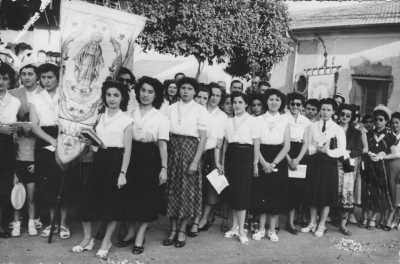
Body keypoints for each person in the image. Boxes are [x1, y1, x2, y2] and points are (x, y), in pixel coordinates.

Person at [72, 80, 133, 259]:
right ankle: (88, 239)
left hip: (116, 162)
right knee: (88, 199)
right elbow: (97, 145)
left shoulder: (127, 120)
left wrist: (123, 173)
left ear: (122, 98)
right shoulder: (99, 117)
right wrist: (89, 143)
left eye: (116, 95)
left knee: (112, 203)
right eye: (109, 95)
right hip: (98, 161)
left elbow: (128, 150)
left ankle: (107, 241)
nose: (112, 99)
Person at [116, 77, 169, 254]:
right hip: (131, 155)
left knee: (147, 198)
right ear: (138, 91)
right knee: (129, 196)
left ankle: (140, 235)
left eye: (150, 92)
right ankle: (131, 231)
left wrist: (164, 168)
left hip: (150, 158)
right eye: (143, 90)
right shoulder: (129, 113)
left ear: (156, 95)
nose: (145, 95)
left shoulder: (160, 117)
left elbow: (162, 144)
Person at [163, 77, 207, 248]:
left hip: (190, 151)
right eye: (183, 88)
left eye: (189, 88)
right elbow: (164, 133)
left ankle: (182, 230)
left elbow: (203, 138)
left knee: (187, 193)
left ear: (195, 91)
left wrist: (195, 161)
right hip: (173, 150)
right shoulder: (171, 108)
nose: (185, 91)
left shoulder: (200, 110)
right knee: (172, 192)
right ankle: (173, 229)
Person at [30, 63, 73, 239]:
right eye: (43, 77)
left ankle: (63, 223)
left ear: (57, 77)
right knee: (48, 183)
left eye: (50, 77)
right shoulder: (35, 98)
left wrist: (61, 140)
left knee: (64, 182)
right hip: (44, 139)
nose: (46, 81)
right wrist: (51, 140)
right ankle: (51, 223)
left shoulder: (66, 96)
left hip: (64, 137)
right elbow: (34, 125)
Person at [301, 98, 346, 237]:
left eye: (328, 110)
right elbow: (306, 144)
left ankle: (322, 224)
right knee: (313, 193)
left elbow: (342, 149)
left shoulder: (337, 129)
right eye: (323, 109)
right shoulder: (312, 126)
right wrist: (315, 149)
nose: (325, 112)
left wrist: (328, 151)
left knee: (326, 195)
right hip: (315, 162)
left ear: (333, 111)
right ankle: (312, 222)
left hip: (329, 164)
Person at [251, 89, 290, 242]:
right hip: (262, 155)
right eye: (271, 99)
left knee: (276, 193)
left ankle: (272, 230)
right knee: (262, 193)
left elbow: (286, 146)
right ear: (266, 101)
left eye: (277, 100)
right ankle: (261, 229)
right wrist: (263, 163)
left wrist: (273, 163)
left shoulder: (285, 120)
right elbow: (256, 143)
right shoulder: (258, 120)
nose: (274, 102)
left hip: (278, 157)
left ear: (281, 103)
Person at [222, 92, 260, 244]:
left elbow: (256, 143)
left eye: (239, 102)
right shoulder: (228, 121)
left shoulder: (253, 121)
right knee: (232, 192)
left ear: (246, 104)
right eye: (234, 102)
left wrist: (255, 163)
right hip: (232, 156)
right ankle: (234, 227)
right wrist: (222, 162)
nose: (236, 105)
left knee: (242, 193)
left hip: (246, 157)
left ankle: (242, 230)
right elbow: (225, 144)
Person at [190, 83, 227, 235]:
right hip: (194, 152)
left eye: (218, 95)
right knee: (195, 188)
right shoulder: (199, 110)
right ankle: (192, 218)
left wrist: (218, 162)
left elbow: (219, 141)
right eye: (212, 94)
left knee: (211, 188)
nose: (214, 98)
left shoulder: (222, 116)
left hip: (212, 153)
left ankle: (203, 219)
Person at [9, 64, 41, 237]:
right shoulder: (14, 94)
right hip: (17, 145)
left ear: (37, 76)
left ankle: (33, 220)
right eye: (24, 74)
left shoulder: (42, 94)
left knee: (32, 193)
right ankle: (16, 222)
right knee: (17, 190)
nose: (27, 77)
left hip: (36, 146)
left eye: (30, 74)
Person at [361, 106, 395, 230]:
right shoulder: (369, 134)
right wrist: (368, 153)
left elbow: (394, 152)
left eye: (381, 120)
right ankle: (365, 216)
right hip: (369, 166)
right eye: (376, 120)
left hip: (381, 168)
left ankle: (373, 218)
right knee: (367, 191)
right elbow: (364, 148)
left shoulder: (390, 136)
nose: (378, 122)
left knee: (378, 192)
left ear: (386, 121)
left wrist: (383, 155)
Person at [285, 92, 311, 235]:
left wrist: (298, 160)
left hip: (300, 154)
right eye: (293, 104)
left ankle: (291, 222)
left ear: (302, 106)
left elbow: (306, 142)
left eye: (298, 104)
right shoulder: (283, 119)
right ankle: (281, 222)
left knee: (296, 189)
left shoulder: (306, 121)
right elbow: (283, 141)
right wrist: (288, 159)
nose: (295, 106)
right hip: (285, 152)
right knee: (284, 188)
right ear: (289, 105)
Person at [0, 63, 20, 238]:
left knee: (5, 186)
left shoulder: (15, 102)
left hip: (6, 145)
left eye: (5, 78)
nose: (0, 81)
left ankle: (3, 224)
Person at [337, 104, 363, 236]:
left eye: (348, 115)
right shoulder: (333, 128)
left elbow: (359, 149)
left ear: (351, 117)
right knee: (333, 190)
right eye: (342, 114)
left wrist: (348, 153)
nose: (344, 117)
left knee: (346, 193)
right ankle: (329, 218)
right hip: (333, 163)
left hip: (348, 164)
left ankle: (343, 223)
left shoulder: (356, 132)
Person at [383, 112, 400, 229]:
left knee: (399, 191)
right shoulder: (388, 136)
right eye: (392, 123)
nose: (394, 125)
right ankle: (389, 215)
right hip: (390, 165)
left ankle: (395, 217)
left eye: (397, 123)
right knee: (390, 189)